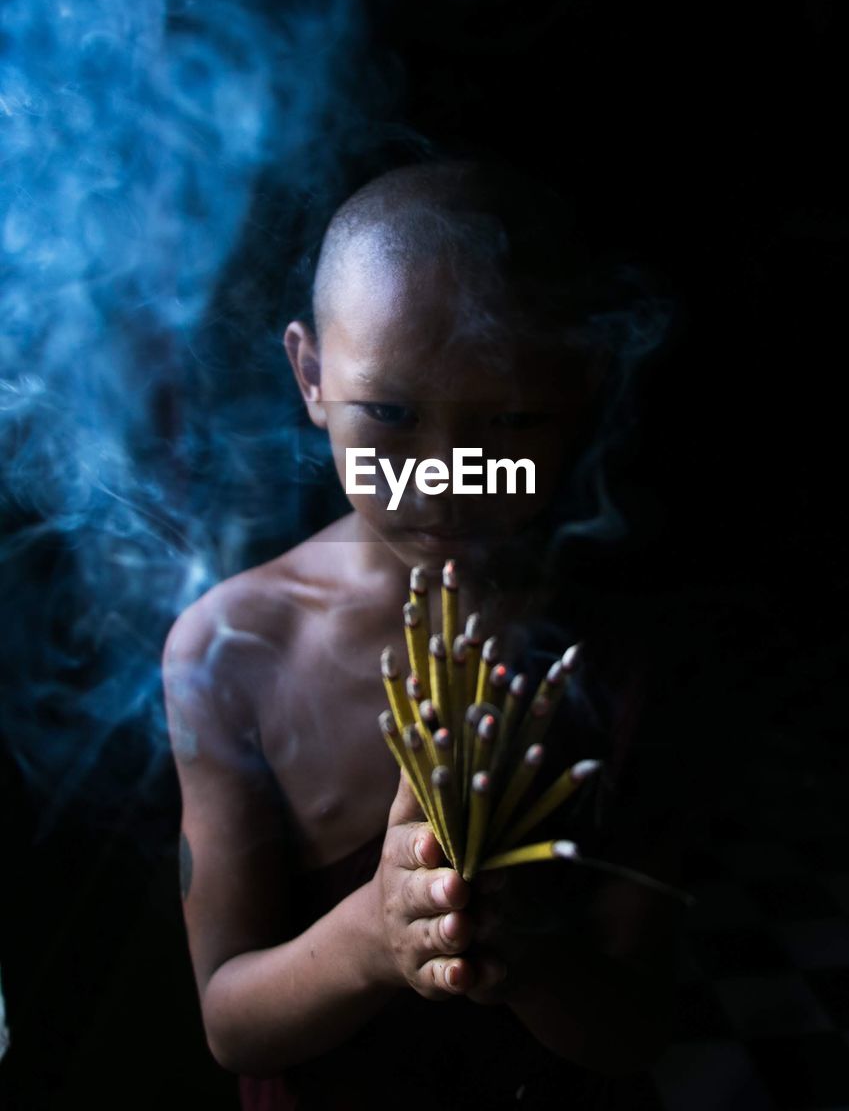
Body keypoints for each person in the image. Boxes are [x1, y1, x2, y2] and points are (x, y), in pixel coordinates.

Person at [162, 160, 686, 1109]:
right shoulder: (231, 648)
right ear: (311, 375)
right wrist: (370, 936)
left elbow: (636, 1026)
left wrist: (525, 956)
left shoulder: (618, 648)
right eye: (393, 416)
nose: (445, 476)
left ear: (576, 392)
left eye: (509, 422)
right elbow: (229, 1022)